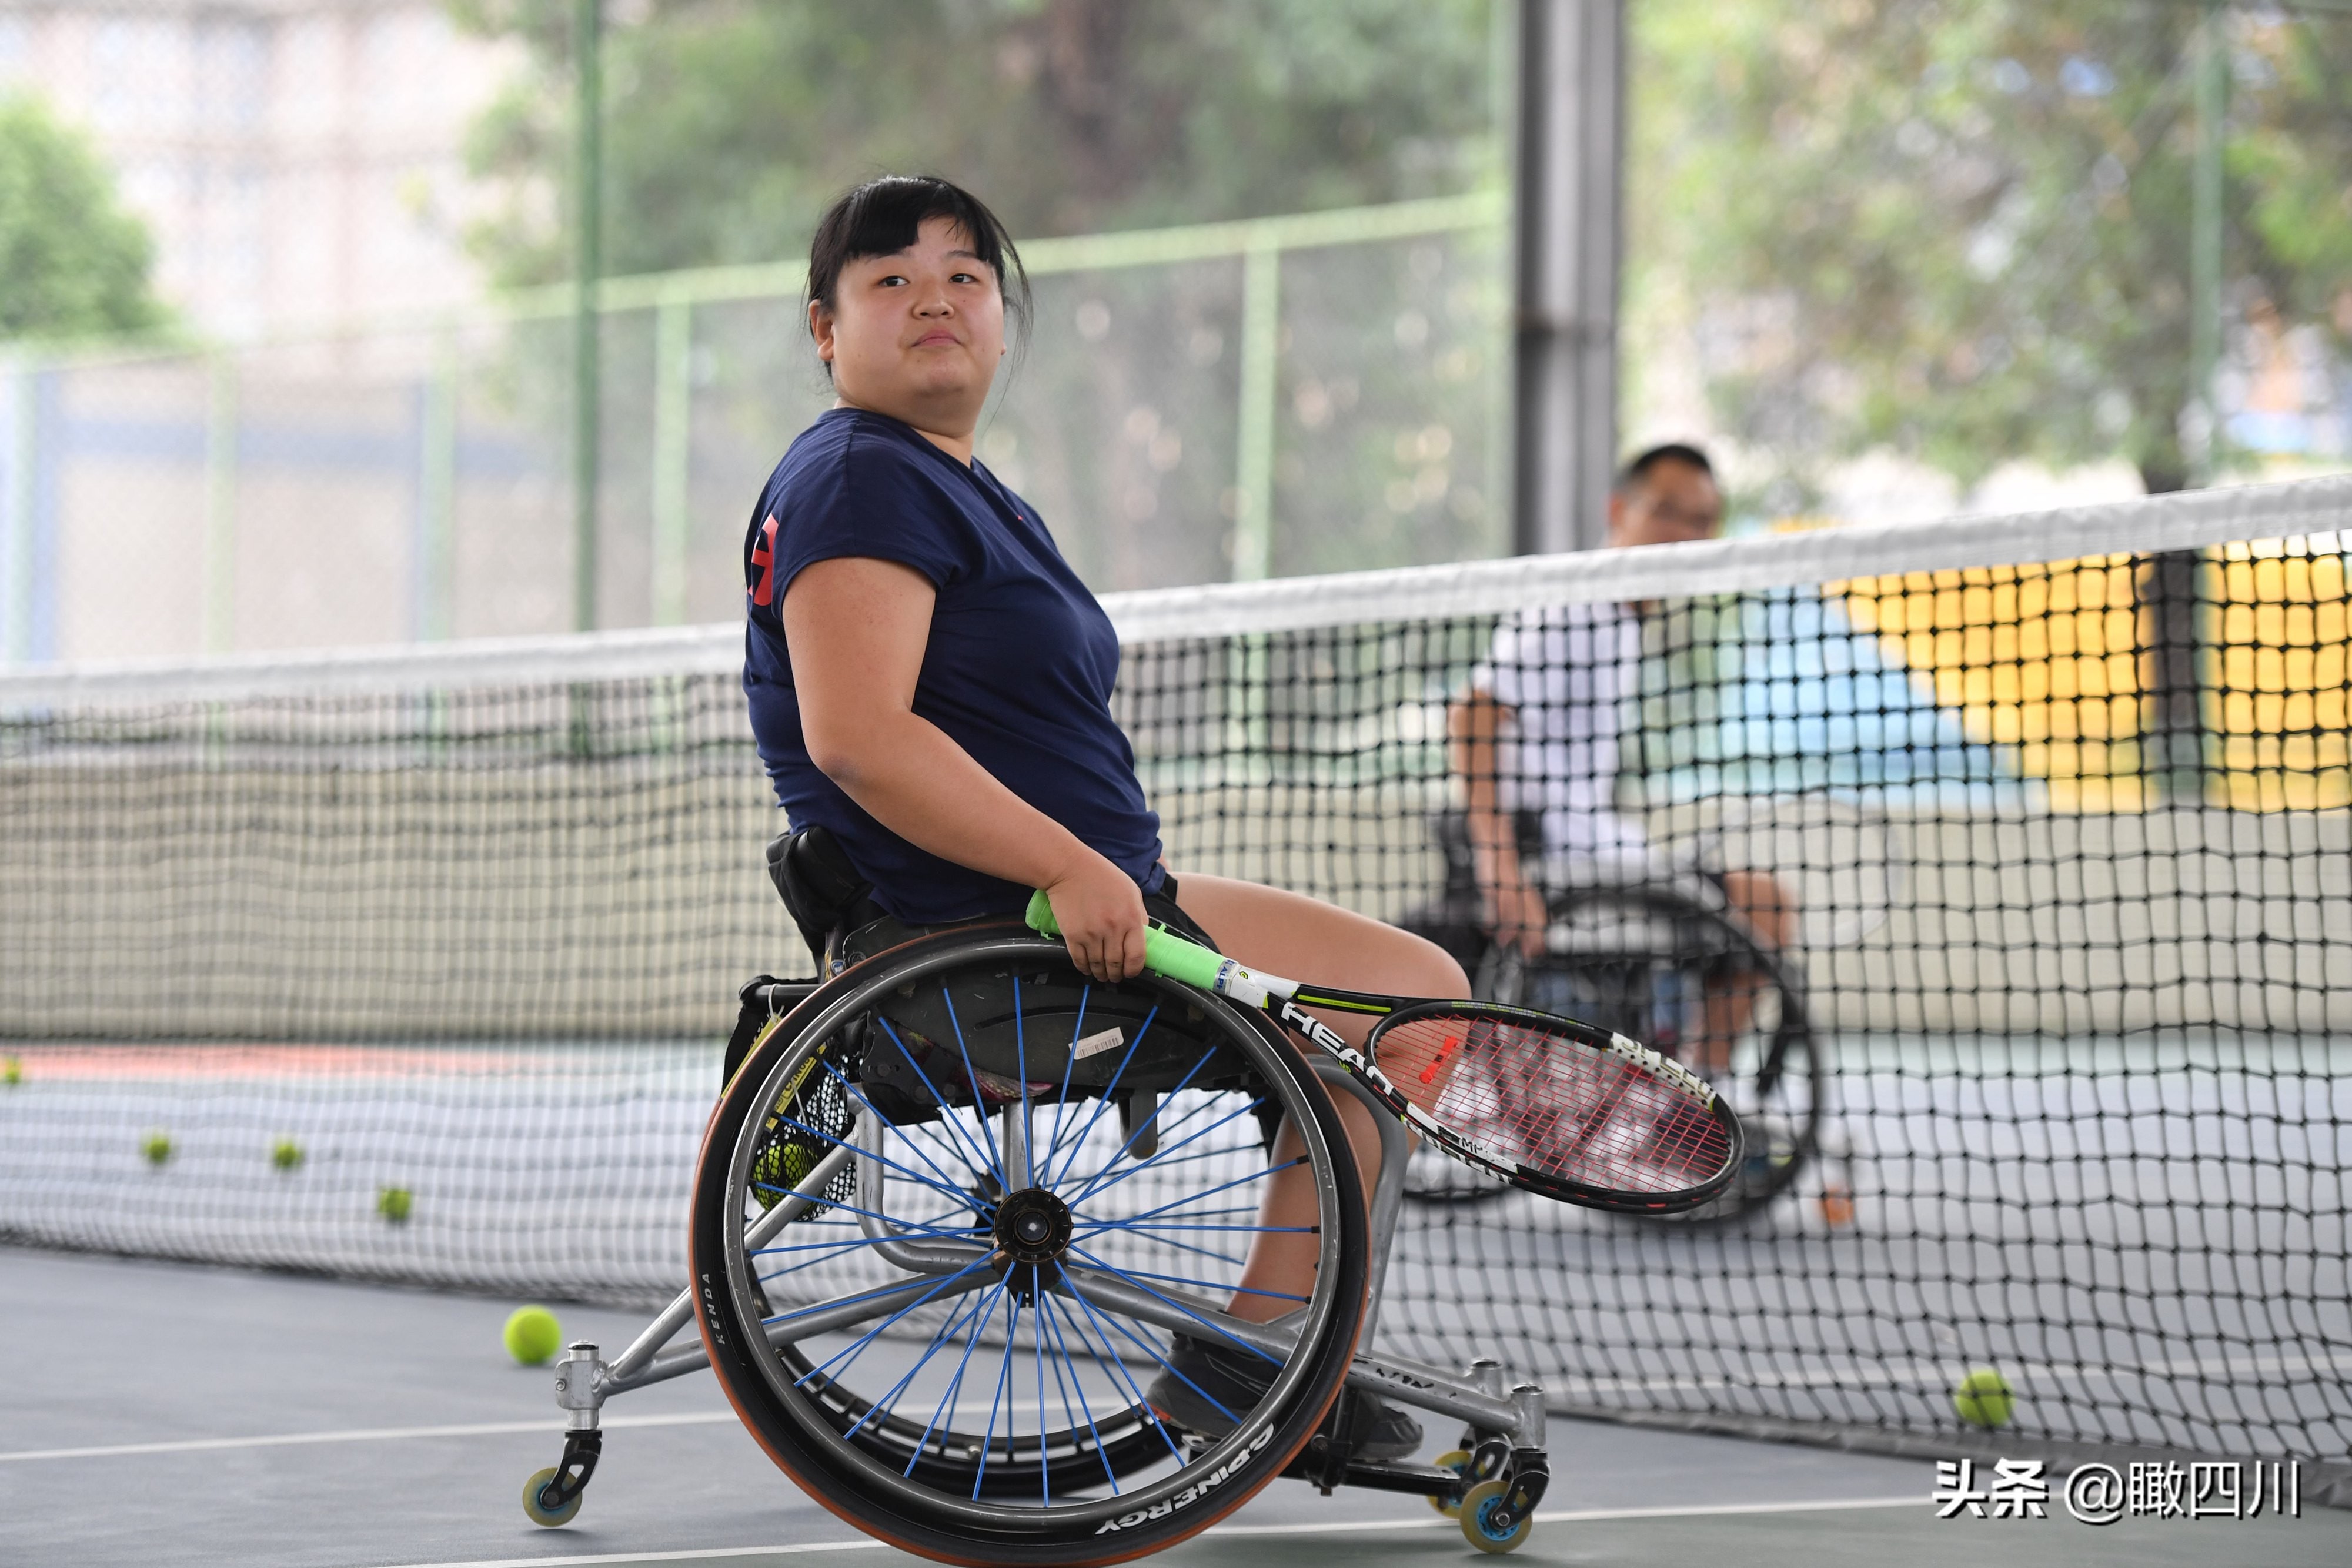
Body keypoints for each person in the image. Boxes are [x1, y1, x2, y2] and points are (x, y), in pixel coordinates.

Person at [740, 175, 1456, 1461]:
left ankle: (1261, 1356)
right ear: (823, 329)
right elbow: (858, 736)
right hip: (1005, 937)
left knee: (1411, 996)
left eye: (964, 277)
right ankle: (1262, 1369)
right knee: (1404, 1013)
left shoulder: (944, 480)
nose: (935, 302)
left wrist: (1089, 868)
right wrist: (1068, 864)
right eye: (890, 281)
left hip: (1076, 905)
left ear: (1002, 318)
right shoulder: (858, 478)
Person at [1441, 444, 1796, 1075]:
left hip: (1591, 857)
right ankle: (1701, 1120)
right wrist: (1499, 865)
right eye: (1667, 512)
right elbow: (1474, 711)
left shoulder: (1622, 619)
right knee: (1762, 904)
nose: (1685, 535)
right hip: (1553, 867)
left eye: (1703, 520)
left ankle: (1689, 1114)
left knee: (1754, 903)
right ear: (1618, 510)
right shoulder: (1581, 607)